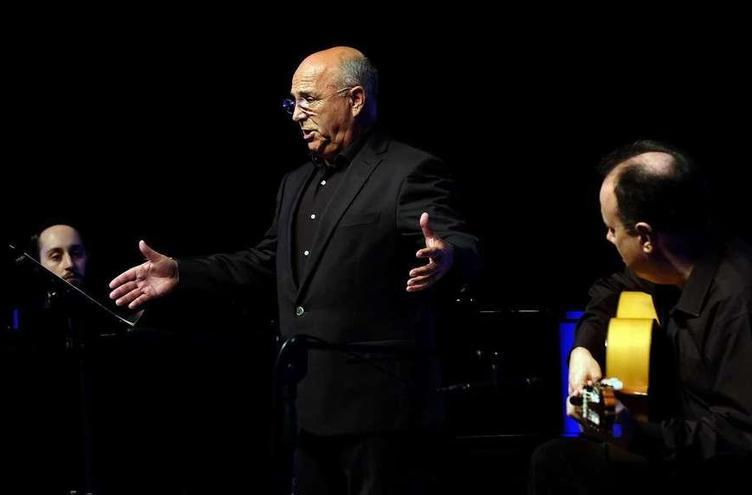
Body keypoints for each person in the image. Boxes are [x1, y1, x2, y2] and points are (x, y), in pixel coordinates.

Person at [109, 46, 480, 493]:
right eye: (292, 103)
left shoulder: (408, 170)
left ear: (356, 99)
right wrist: (184, 274)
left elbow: (457, 241)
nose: (296, 115)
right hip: (305, 408)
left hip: (384, 413)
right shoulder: (295, 183)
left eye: (308, 100)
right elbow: (264, 262)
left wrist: (448, 258)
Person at [529, 140, 752, 494]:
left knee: (558, 464)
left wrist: (636, 434)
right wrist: (582, 351)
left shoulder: (736, 303)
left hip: (714, 475)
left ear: (646, 237)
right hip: (677, 448)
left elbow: (741, 439)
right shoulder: (679, 260)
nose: (608, 237)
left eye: (613, 228)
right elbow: (609, 290)